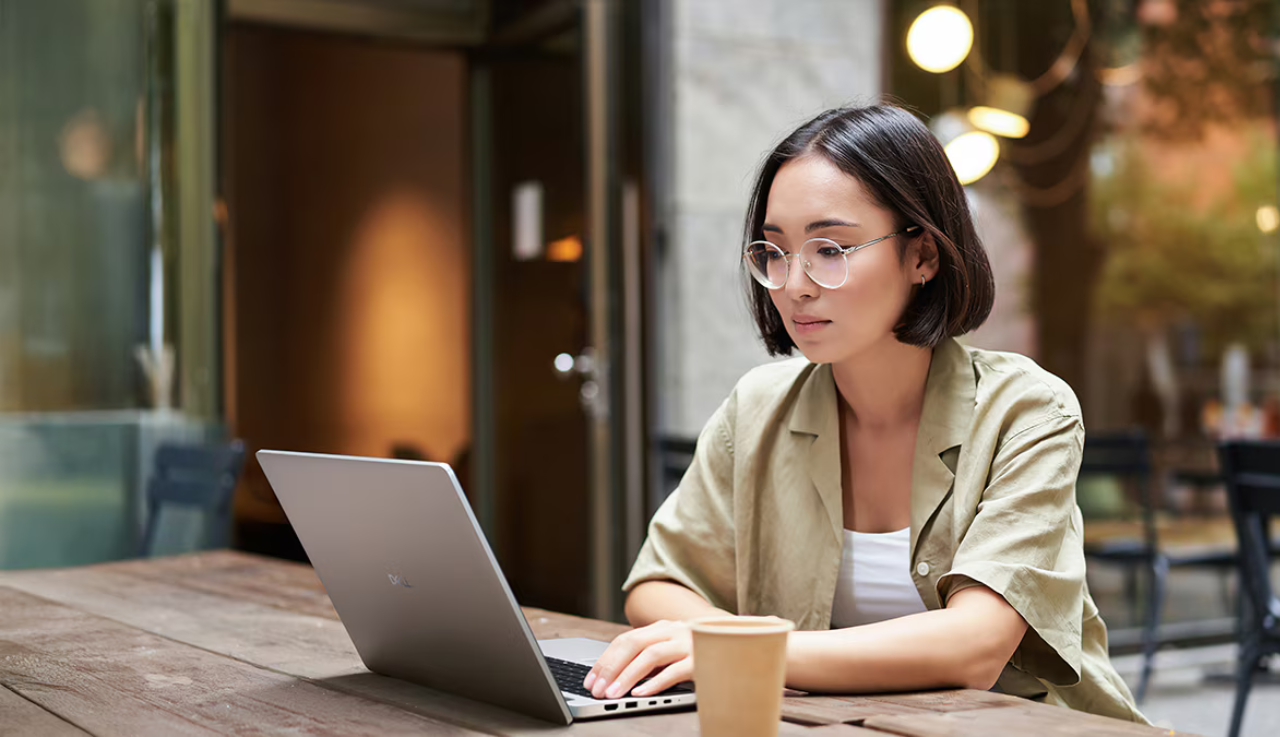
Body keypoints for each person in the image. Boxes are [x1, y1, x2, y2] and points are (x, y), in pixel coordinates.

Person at [581, 104, 1146, 722]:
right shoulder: (758, 407)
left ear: (923, 256)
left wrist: (741, 648)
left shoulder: (1027, 410)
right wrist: (726, 643)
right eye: (775, 249)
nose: (794, 282)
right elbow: (658, 585)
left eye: (830, 248)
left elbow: (975, 646)